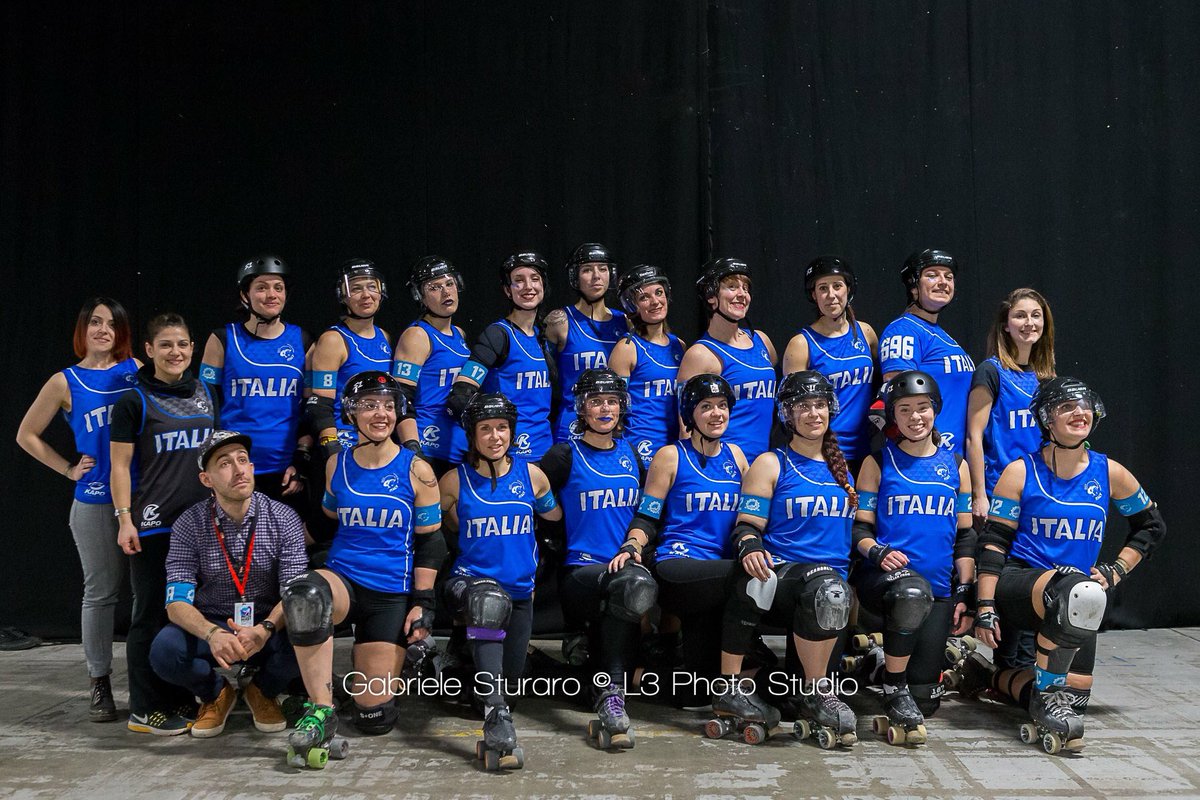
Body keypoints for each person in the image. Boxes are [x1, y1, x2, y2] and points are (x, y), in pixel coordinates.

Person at [973, 377, 1166, 753]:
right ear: (1047, 419)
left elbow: (1151, 525)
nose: (1079, 413)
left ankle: (987, 676)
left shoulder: (1109, 473)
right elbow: (994, 544)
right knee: (1078, 594)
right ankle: (1043, 695)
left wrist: (1117, 569)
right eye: (1066, 407)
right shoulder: (1020, 471)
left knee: (1074, 700)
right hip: (1020, 585)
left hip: (1078, 600)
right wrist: (984, 607)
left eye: (1084, 407)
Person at [280, 371, 445, 763]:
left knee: (375, 717)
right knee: (305, 595)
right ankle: (321, 709)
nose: (381, 414)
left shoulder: (417, 470)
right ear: (351, 414)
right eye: (369, 405)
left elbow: (431, 542)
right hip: (343, 579)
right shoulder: (337, 463)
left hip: (390, 590)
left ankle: (352, 683)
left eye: (388, 406)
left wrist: (423, 601)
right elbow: (325, 522)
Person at [718, 371, 858, 747]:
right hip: (783, 578)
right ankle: (814, 692)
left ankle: (806, 692)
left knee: (831, 592)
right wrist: (749, 545)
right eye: (803, 407)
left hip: (833, 592)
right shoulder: (770, 463)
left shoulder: (843, 468)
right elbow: (747, 525)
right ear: (787, 415)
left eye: (819, 405)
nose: (814, 414)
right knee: (826, 588)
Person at [610, 374, 762, 720]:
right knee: (747, 576)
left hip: (718, 572)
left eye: (722, 406)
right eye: (706, 407)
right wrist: (633, 544)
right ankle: (732, 688)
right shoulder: (670, 456)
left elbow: (752, 515)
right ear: (689, 414)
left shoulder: (737, 455)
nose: (716, 414)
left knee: (694, 695)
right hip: (678, 566)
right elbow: (648, 515)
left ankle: (643, 677)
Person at [16, 297, 139, 722]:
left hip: (141, 499)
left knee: (150, 592)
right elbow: (26, 435)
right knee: (101, 593)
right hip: (95, 500)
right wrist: (68, 468)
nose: (103, 330)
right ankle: (99, 682)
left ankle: (147, 680)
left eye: (112, 324)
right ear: (83, 329)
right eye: (96, 323)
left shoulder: (136, 371)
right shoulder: (64, 382)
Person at [149, 431, 306, 738]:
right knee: (164, 652)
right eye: (225, 463)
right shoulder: (189, 523)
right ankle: (216, 693)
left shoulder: (283, 518)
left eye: (243, 460)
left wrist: (265, 629)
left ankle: (262, 691)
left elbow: (294, 592)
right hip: (213, 622)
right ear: (206, 479)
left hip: (267, 623)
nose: (238, 470)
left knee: (313, 629)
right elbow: (176, 601)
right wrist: (212, 634)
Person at [438, 392, 562, 770]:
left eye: (502, 428)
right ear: (472, 435)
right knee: (488, 603)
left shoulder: (533, 476)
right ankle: (494, 717)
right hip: (469, 585)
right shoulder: (453, 481)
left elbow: (553, 520)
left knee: (511, 686)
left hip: (520, 592)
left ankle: (463, 668)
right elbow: (434, 526)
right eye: (486, 429)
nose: (495, 437)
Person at [850, 371, 975, 745]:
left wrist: (964, 591)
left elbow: (966, 536)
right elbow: (858, 530)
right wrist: (879, 551)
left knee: (926, 702)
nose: (915, 416)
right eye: (905, 409)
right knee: (910, 594)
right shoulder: (878, 460)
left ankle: (873, 663)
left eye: (922, 408)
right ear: (893, 415)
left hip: (937, 589)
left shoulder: (956, 464)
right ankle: (892, 683)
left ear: (935, 411)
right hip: (887, 583)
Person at [110, 313, 217, 734]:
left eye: (183, 344)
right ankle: (144, 707)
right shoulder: (133, 401)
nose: (176, 352)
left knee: (187, 614)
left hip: (201, 524)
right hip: (155, 525)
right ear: (149, 350)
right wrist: (124, 519)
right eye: (167, 345)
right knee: (150, 614)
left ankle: (178, 697)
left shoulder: (206, 392)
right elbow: (119, 466)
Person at [540, 369, 649, 749]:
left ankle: (599, 679)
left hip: (626, 566)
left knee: (632, 585)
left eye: (612, 401)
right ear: (581, 409)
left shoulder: (632, 453)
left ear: (622, 407)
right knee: (630, 585)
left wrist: (634, 544)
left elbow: (647, 512)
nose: (605, 408)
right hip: (580, 571)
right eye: (596, 401)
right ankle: (611, 698)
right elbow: (528, 488)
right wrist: (553, 519)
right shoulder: (565, 453)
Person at [963, 288, 1055, 672]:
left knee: (1036, 573)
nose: (1028, 323)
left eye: (1036, 315)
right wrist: (980, 495)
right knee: (1008, 577)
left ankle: (1028, 671)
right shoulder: (990, 370)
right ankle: (1007, 670)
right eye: (1020, 316)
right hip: (1002, 491)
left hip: (1038, 493)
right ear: (1005, 324)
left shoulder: (1047, 376)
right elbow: (974, 436)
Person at [199, 255, 311, 503]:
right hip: (234, 471)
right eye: (261, 287)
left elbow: (309, 409)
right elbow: (206, 407)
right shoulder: (222, 339)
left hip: (285, 473)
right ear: (244, 294)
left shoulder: (303, 341)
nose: (271, 295)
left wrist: (301, 461)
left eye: (278, 288)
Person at [448, 252, 555, 465]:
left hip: (544, 450)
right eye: (518, 281)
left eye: (534, 279)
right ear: (507, 290)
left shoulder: (542, 336)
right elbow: (460, 396)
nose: (528, 286)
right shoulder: (498, 335)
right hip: (509, 454)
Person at [782, 257, 878, 472]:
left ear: (848, 289)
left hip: (864, 451)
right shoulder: (801, 344)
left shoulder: (866, 333)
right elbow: (791, 411)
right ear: (814, 295)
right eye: (823, 288)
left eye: (837, 286)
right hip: (821, 454)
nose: (831, 295)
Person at [677, 258, 777, 463]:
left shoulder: (762, 341)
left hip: (762, 465)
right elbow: (685, 424)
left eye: (745, 288)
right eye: (732, 287)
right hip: (723, 464)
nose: (742, 294)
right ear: (711, 296)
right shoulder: (700, 354)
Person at [878, 250, 974, 455]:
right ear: (913, 286)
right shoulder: (903, 331)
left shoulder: (939, 333)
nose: (943, 282)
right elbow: (898, 401)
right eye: (932, 275)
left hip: (954, 458)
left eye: (948, 277)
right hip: (925, 458)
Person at [305, 259, 400, 463]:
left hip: (379, 442)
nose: (366, 295)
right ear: (343, 296)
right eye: (356, 289)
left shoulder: (384, 336)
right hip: (346, 443)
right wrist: (332, 448)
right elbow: (320, 405)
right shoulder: (333, 340)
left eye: (371, 287)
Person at [392, 256, 470, 475]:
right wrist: (412, 449)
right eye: (434, 287)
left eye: (449, 283)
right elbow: (401, 398)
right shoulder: (417, 335)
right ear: (420, 296)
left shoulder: (459, 334)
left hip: (458, 445)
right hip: (429, 446)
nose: (446, 292)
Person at [544, 243, 627, 443]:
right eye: (587, 269)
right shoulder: (559, 321)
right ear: (575, 277)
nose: (596, 276)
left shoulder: (625, 322)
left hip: (613, 427)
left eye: (603, 269)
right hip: (571, 428)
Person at [608, 264, 685, 467]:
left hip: (676, 445)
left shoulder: (680, 346)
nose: (655, 302)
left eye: (659, 293)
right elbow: (614, 412)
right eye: (644, 297)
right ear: (632, 306)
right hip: (640, 449)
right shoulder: (627, 348)